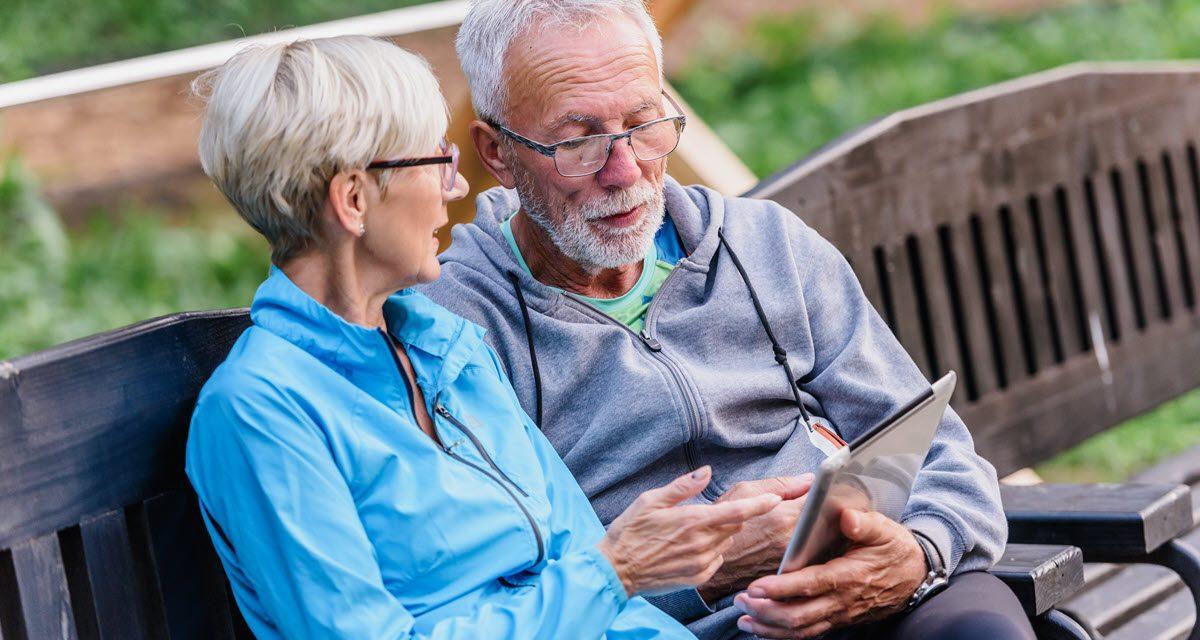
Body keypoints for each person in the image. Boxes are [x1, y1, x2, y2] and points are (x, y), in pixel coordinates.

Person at [418, 1, 1037, 638]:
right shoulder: (456, 330)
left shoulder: (765, 242)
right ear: (496, 153)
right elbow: (501, 602)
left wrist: (917, 556)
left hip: (877, 585)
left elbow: (942, 454)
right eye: (577, 143)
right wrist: (703, 571)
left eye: (644, 122)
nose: (625, 170)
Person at [184, 35, 785, 640]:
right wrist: (615, 570)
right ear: (354, 199)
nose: (455, 188)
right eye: (433, 162)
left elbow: (596, 580)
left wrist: (618, 576)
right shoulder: (261, 411)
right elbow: (600, 578)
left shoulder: (446, 347)